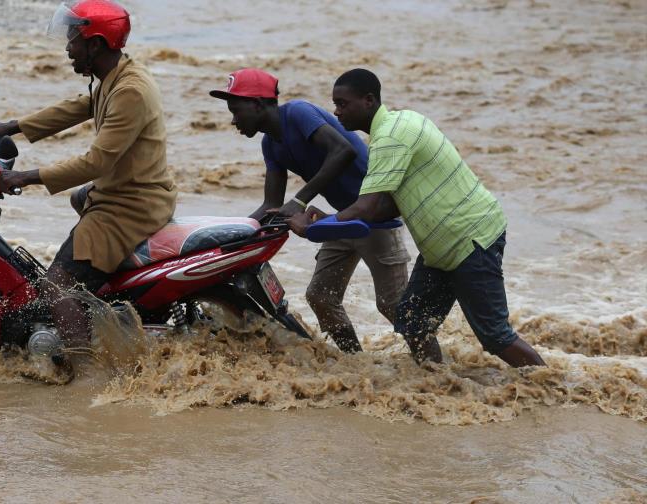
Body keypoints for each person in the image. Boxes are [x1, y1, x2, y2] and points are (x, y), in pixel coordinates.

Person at [288, 68, 545, 368]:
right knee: (412, 321)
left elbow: (366, 208)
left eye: (343, 104)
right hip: (444, 249)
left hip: (470, 240)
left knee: (496, 336)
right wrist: (330, 219)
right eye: (335, 104)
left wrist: (312, 228)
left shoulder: (390, 138)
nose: (336, 112)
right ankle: (437, 382)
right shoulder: (401, 123)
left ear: (368, 100)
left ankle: (552, 386)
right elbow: (388, 208)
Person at [0, 0, 176, 347]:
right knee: (78, 198)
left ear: (96, 44)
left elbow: (96, 163)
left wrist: (24, 177)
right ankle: (99, 297)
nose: (68, 47)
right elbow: (79, 106)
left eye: (73, 39)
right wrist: (12, 126)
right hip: (128, 190)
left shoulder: (129, 91)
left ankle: (84, 366)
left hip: (128, 205)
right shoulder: (117, 76)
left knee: (56, 284)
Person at [209, 68, 410, 353]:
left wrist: (300, 200)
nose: (233, 120)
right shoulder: (270, 145)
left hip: (375, 215)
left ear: (257, 104)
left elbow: (343, 151)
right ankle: (355, 361)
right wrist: (228, 235)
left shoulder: (298, 113)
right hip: (342, 218)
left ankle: (434, 366)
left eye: (236, 110)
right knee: (321, 297)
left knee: (393, 304)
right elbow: (270, 205)